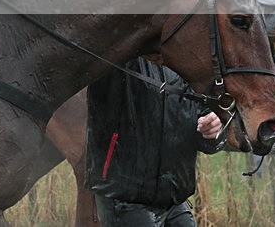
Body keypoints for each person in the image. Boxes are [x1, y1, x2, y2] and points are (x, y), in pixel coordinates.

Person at [85, 58, 225, 226]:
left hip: (174, 198)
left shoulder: (185, 59)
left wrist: (213, 127)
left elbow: (201, 121)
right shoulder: (121, 50)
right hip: (124, 198)